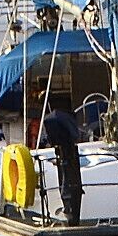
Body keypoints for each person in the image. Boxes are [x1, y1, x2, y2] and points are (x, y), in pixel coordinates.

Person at [39, 89, 85, 223]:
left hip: (66, 155)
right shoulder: (68, 141)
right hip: (68, 154)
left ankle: (70, 210)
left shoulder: (54, 122)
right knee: (69, 178)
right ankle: (71, 210)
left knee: (67, 179)